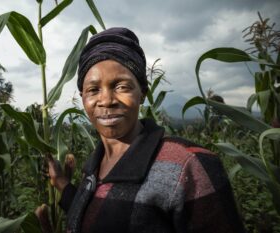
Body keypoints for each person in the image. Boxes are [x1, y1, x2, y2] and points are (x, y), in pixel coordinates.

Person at [36, 27, 245, 233]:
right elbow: (93, 212)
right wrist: (61, 182)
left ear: (142, 93)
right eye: (93, 90)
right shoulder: (94, 164)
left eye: (121, 86)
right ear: (83, 96)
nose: (106, 101)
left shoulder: (189, 166)